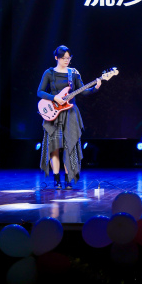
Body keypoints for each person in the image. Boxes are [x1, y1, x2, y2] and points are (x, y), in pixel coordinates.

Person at [37, 45, 101, 190]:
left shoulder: (74, 73)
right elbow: (40, 92)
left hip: (70, 113)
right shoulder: (49, 73)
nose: (66, 60)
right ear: (56, 58)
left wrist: (95, 88)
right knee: (54, 147)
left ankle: (68, 178)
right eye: (63, 58)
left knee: (69, 146)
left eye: (68, 58)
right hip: (53, 113)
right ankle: (56, 179)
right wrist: (54, 98)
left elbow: (83, 91)